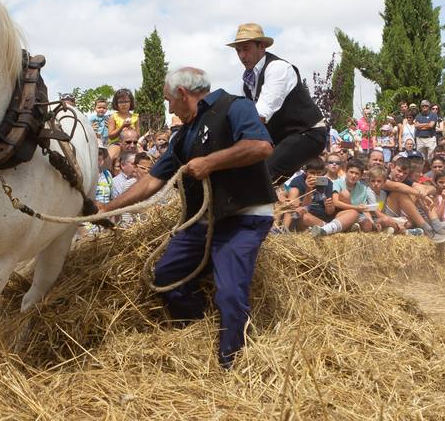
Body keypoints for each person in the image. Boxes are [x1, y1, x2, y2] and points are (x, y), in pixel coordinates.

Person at [100, 66, 274, 369]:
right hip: (204, 222)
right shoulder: (183, 136)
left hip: (243, 218)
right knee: (166, 276)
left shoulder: (235, 107)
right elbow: (152, 181)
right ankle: (198, 326)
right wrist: (111, 207)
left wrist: (210, 162)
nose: (168, 107)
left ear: (183, 94)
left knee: (230, 292)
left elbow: (260, 146)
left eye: (169, 99)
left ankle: (230, 363)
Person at [228, 23, 328, 183]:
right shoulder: (246, 81)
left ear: (262, 46)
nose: (241, 56)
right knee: (249, 175)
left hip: (308, 134)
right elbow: (246, 118)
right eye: (238, 51)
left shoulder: (277, 68)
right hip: (284, 139)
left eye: (245, 49)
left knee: (261, 175)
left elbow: (259, 115)